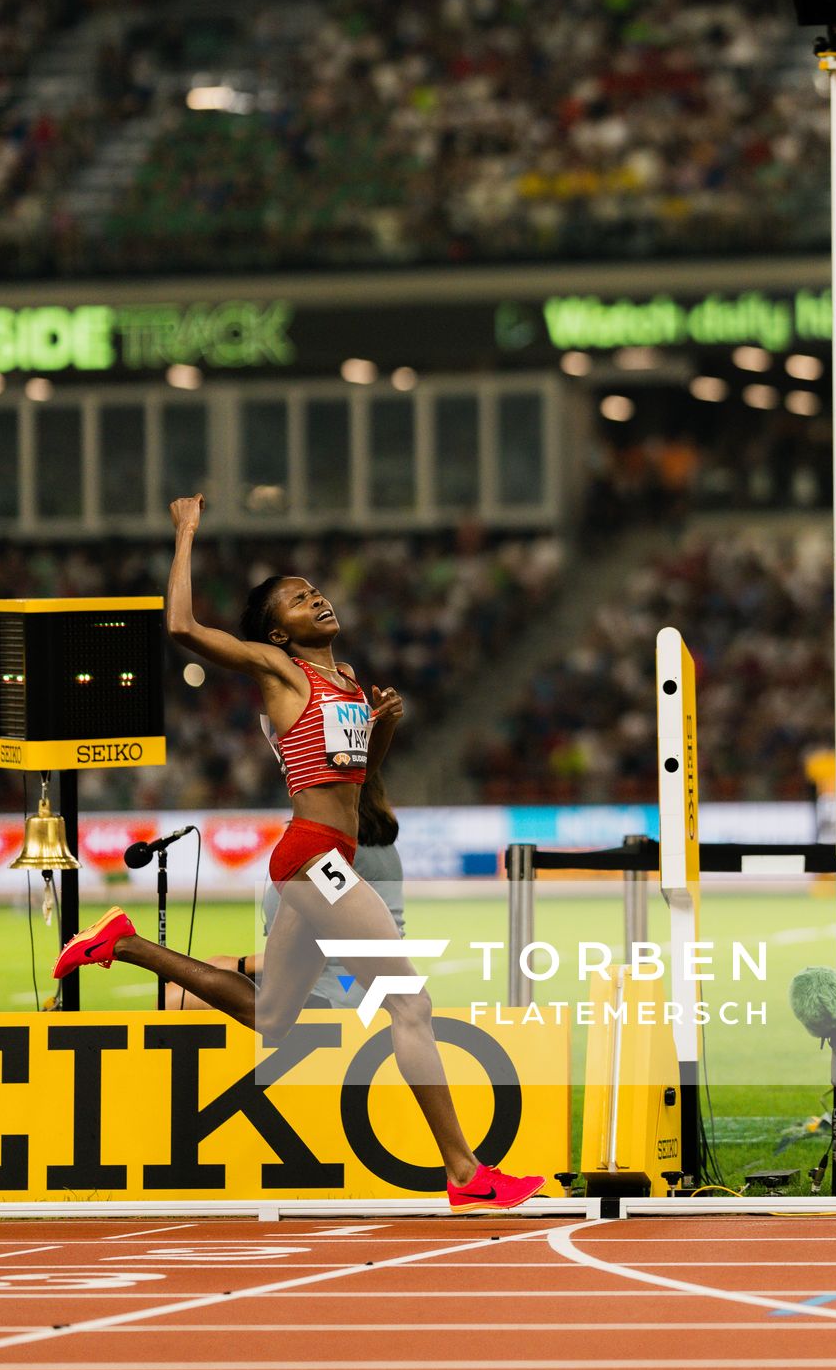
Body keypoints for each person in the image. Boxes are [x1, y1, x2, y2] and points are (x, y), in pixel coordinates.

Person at [54, 492, 543, 1212]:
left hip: (324, 854)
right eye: (294, 599)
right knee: (410, 1003)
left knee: (273, 1019)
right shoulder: (283, 674)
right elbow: (183, 625)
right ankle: (466, 1172)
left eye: (312, 590)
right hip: (315, 857)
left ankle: (126, 944)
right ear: (276, 634)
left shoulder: (346, 682)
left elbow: (364, 789)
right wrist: (186, 531)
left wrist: (383, 729)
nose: (313, 598)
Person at [168, 770, 407, 1011]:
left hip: (333, 994)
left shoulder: (335, 855)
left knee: (175, 997)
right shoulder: (376, 849)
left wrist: (240, 965)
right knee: (190, 984)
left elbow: (309, 949)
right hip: (348, 987)